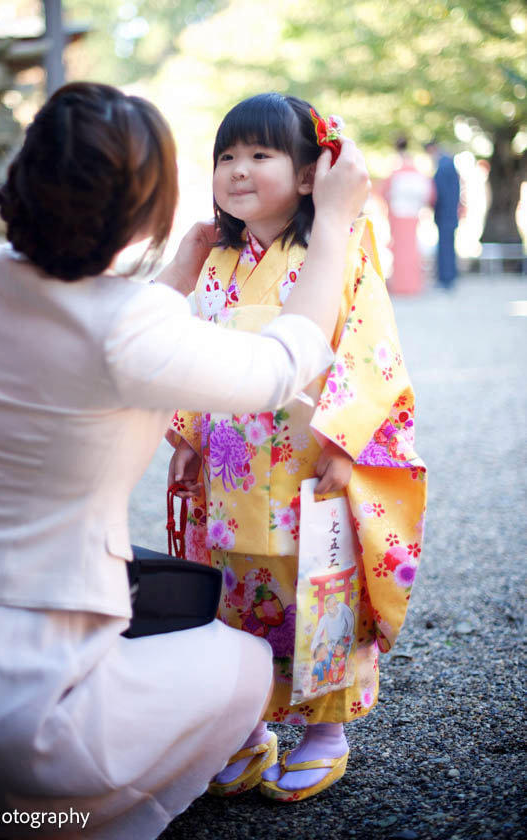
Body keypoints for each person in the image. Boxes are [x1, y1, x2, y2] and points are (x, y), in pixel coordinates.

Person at [0, 82, 370, 839]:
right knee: (244, 665)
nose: (237, 171)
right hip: (20, 721)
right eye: (221, 158)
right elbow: (275, 367)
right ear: (154, 204)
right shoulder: (131, 328)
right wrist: (334, 224)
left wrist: (177, 269)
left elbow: (118, 330)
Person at [168, 93, 427, 804]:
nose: (238, 170)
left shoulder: (334, 249)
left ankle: (324, 734)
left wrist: (350, 441)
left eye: (260, 155)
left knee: (315, 591)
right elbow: (192, 351)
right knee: (235, 598)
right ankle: (245, 729)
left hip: (307, 460)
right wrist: (189, 433)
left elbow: (370, 347)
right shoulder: (218, 262)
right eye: (226, 157)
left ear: (311, 175)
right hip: (231, 466)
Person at [380, 135, 434, 294]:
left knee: (399, 247)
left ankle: (401, 284)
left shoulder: (395, 167)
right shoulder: (415, 166)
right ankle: (413, 283)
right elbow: (428, 191)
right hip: (413, 211)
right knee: (412, 246)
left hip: (398, 210)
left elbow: (385, 190)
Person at [425, 140, 461, 288]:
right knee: (447, 245)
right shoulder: (447, 163)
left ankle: (446, 278)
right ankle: (447, 277)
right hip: (448, 212)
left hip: (445, 212)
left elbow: (441, 191)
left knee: (446, 246)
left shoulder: (444, 165)